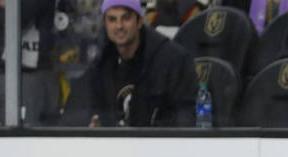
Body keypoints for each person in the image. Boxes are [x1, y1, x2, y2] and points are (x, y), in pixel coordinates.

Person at [61, 0, 197, 127]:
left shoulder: (173, 60)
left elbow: (184, 120)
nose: (119, 26)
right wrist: (92, 129)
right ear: (105, 24)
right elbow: (74, 117)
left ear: (139, 21)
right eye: (112, 19)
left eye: (126, 18)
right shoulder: (102, 64)